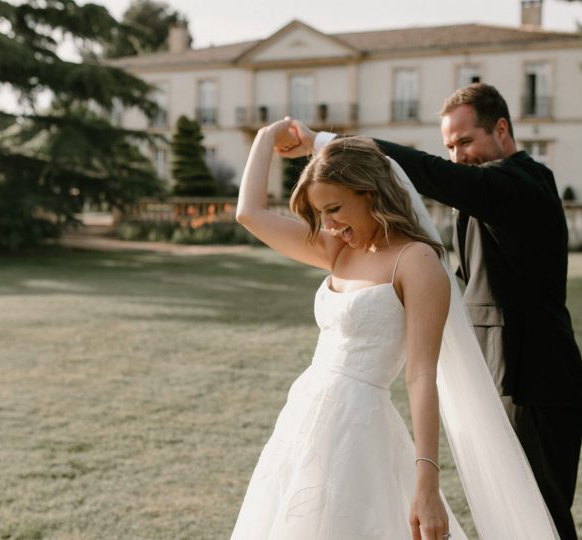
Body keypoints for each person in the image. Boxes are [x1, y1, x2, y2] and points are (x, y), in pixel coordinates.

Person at [281, 83, 582, 540]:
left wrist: (326, 144)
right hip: (496, 374)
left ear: (502, 129)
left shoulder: (524, 183)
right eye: (449, 146)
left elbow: (437, 176)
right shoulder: (489, 190)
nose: (456, 155)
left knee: (542, 518)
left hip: (538, 379)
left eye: (465, 141)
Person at [231, 118, 559, 539]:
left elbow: (422, 376)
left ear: (369, 194)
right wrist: (263, 138)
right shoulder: (338, 250)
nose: (328, 225)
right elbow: (249, 213)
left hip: (360, 430)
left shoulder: (417, 262)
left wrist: (428, 486)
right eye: (319, 213)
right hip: (304, 418)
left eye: (334, 209)